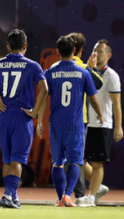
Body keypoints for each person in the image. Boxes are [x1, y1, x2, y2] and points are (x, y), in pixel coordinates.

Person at [0, 29, 47, 209]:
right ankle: (7, 195)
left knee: (7, 160)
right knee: (18, 160)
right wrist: (35, 112)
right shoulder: (32, 65)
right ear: (25, 46)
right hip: (22, 117)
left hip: (4, 116)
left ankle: (12, 195)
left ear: (8, 46)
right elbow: (44, 89)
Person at [27, 36, 103, 207]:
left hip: (56, 125)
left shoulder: (50, 72)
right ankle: (68, 196)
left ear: (58, 51)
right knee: (75, 161)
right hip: (75, 125)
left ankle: (60, 197)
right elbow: (94, 99)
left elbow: (43, 96)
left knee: (57, 163)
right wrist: (100, 115)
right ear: (74, 51)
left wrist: (39, 121)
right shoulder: (83, 72)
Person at [81, 39, 124, 206]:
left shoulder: (112, 76)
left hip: (102, 125)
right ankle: (97, 187)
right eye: (94, 50)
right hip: (86, 124)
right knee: (79, 161)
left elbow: (117, 104)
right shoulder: (88, 72)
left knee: (97, 163)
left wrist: (118, 126)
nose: (96, 54)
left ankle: (91, 198)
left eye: (100, 51)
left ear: (108, 55)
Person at [67, 32, 104, 206]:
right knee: (77, 158)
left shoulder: (57, 65)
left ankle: (65, 195)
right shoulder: (82, 68)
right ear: (79, 50)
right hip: (78, 119)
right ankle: (80, 195)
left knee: (66, 159)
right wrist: (93, 67)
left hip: (58, 119)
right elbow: (97, 83)